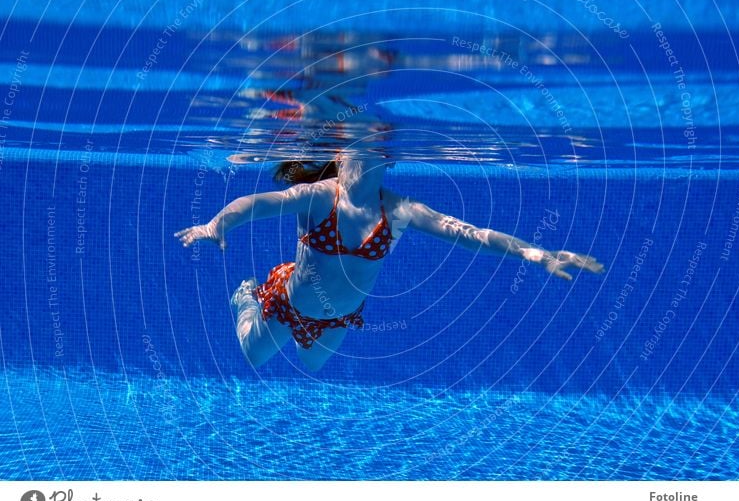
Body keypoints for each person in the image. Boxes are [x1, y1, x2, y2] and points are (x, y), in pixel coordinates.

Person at [175, 156, 604, 371]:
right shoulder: (320, 195)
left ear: (388, 158)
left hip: (340, 318)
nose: (360, 162)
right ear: (340, 158)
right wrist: (216, 224)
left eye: (372, 151)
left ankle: (264, 305)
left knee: (311, 366)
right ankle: (246, 297)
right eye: (353, 154)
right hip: (291, 300)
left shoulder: (400, 210)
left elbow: (468, 234)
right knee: (254, 356)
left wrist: (536, 252)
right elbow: (256, 204)